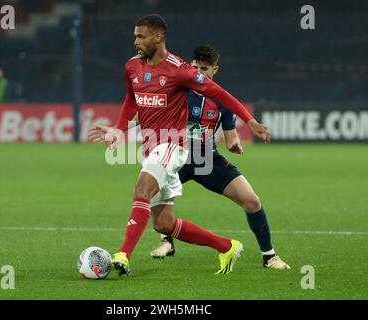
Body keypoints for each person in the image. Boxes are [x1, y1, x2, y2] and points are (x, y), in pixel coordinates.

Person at [89, 14, 271, 277]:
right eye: (134, 36)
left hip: (173, 146)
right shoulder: (132, 67)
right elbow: (132, 99)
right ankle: (226, 246)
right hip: (152, 147)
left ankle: (123, 255)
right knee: (163, 224)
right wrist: (119, 127)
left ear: (158, 37)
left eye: (140, 36)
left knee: (141, 190)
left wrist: (250, 121)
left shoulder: (179, 70)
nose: (135, 41)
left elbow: (220, 94)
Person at [149, 45, 290, 269]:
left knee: (252, 201)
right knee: (151, 194)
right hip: (177, 157)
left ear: (215, 69)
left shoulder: (222, 100)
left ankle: (269, 256)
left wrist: (235, 144)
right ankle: (167, 240)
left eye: (204, 69)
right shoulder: (177, 91)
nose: (198, 73)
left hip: (207, 159)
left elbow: (231, 136)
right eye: (194, 67)